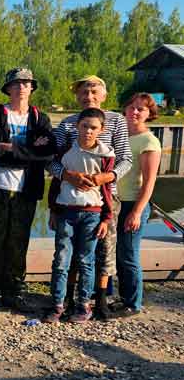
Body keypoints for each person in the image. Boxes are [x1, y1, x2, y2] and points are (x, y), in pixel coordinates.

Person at [49, 75, 132, 319]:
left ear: (104, 95)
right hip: (69, 197)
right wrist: (66, 175)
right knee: (71, 251)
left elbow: (126, 159)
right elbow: (51, 161)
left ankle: (102, 298)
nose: (89, 96)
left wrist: (107, 177)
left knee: (104, 248)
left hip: (104, 197)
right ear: (77, 96)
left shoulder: (116, 121)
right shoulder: (67, 124)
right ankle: (69, 297)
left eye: (94, 91)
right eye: (84, 92)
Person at [0, 68, 56, 311]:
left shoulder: (39, 118)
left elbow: (46, 152)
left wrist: (13, 148)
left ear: (31, 88)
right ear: (8, 88)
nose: (22, 87)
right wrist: (27, 149)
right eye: (17, 83)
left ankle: (13, 289)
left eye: (26, 83)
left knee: (18, 240)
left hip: (26, 188)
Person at [43, 108, 115, 324]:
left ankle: (83, 305)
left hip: (92, 214)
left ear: (101, 130)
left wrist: (106, 218)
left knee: (86, 261)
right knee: (61, 259)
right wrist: (53, 210)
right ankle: (57, 304)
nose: (88, 131)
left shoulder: (106, 155)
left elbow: (107, 189)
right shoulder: (66, 151)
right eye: (84, 126)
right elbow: (55, 182)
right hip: (66, 211)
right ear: (77, 127)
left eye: (94, 128)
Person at [116, 93, 161, 316]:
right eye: (132, 107)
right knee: (119, 255)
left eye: (141, 109)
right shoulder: (121, 135)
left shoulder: (148, 141)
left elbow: (149, 183)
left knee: (129, 255)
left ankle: (133, 304)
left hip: (133, 204)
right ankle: (123, 297)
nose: (135, 112)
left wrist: (136, 212)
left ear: (149, 114)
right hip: (116, 201)